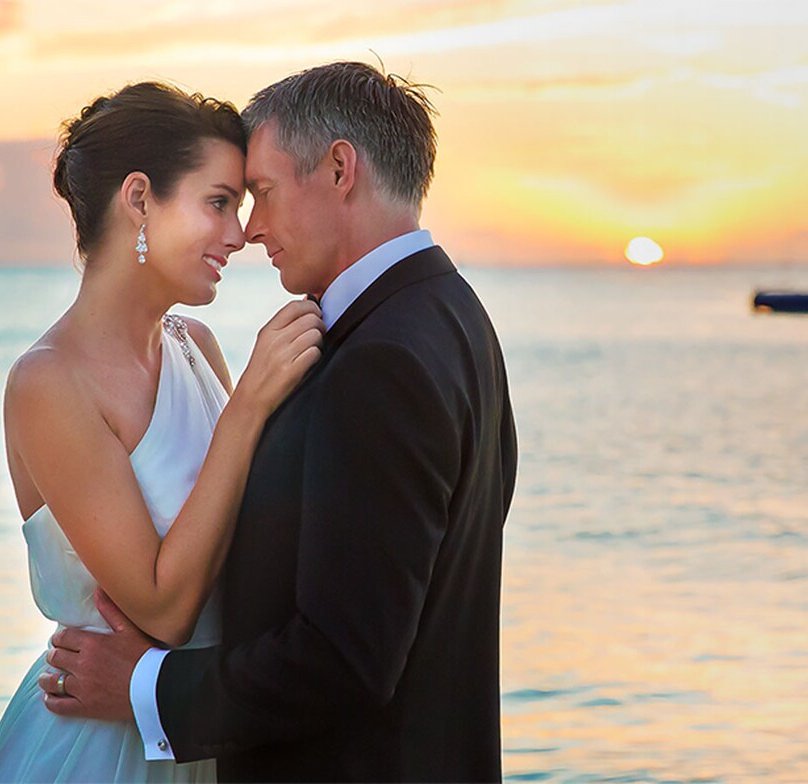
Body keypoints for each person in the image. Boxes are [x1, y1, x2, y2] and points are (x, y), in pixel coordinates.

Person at [41, 61, 518, 782]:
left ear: (338, 170)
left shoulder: (378, 364)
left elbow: (344, 657)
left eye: (260, 193)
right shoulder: (454, 318)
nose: (252, 231)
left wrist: (147, 688)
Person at [0, 80, 323, 783]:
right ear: (139, 200)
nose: (239, 235)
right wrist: (249, 408)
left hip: (194, 733)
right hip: (98, 753)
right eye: (218, 203)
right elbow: (163, 607)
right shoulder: (50, 382)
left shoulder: (195, 345)